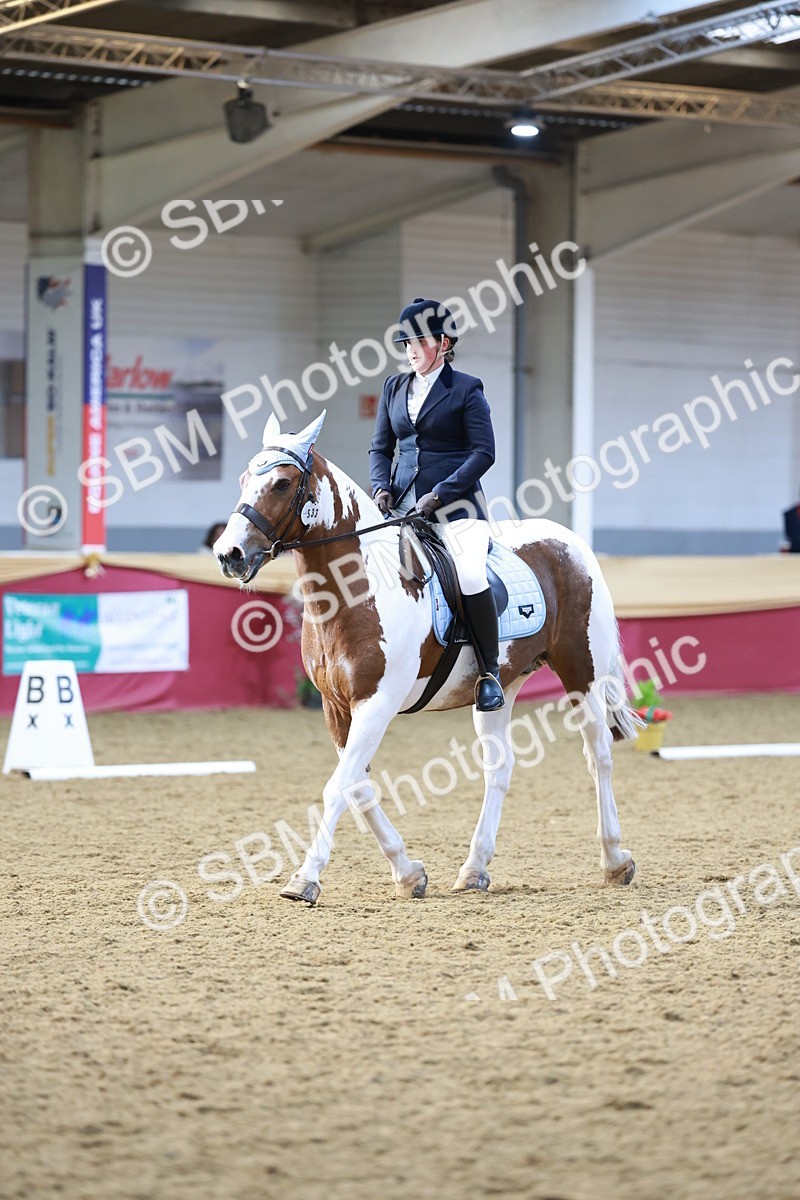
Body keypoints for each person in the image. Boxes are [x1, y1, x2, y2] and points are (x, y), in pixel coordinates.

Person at [369, 296, 504, 711]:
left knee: (469, 575)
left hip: (456, 509)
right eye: (406, 343)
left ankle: (489, 673)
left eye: (419, 342)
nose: (410, 351)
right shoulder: (394, 387)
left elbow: (484, 452)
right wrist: (380, 487)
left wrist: (440, 493)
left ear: (444, 343)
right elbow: (380, 448)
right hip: (400, 509)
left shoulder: (466, 388)